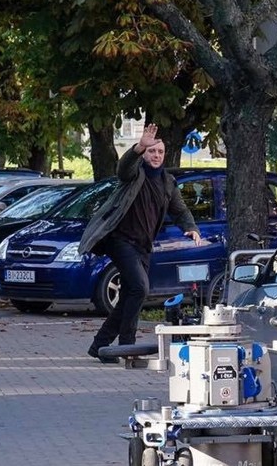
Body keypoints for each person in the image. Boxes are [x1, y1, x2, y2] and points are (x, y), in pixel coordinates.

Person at [79, 123, 201, 362]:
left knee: (129, 295)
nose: (156, 156)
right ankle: (127, 346)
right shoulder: (135, 174)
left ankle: (100, 345)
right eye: (151, 151)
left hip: (142, 247)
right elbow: (123, 169)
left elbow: (180, 211)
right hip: (120, 240)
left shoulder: (168, 183)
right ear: (145, 154)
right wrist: (137, 148)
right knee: (139, 287)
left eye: (160, 152)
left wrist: (191, 228)